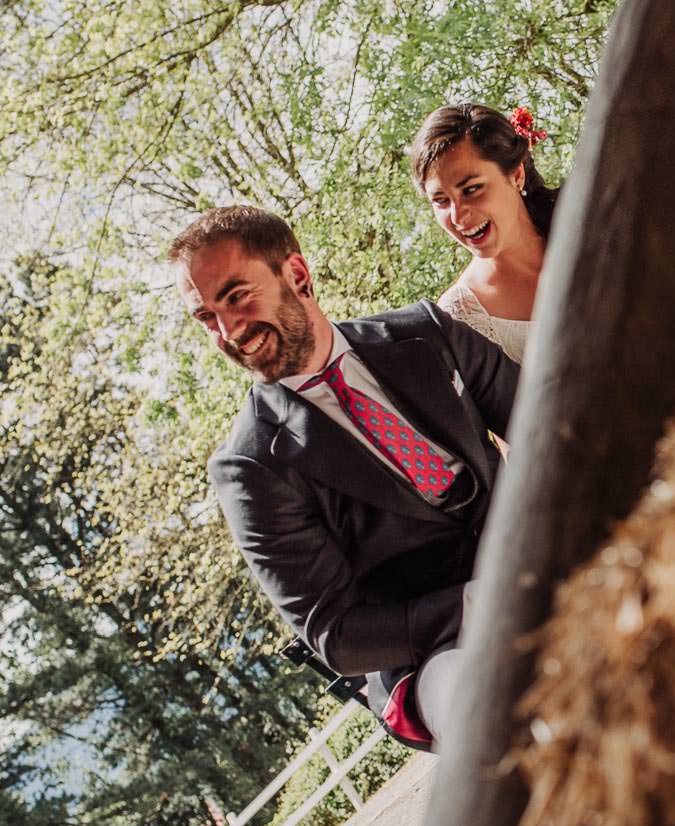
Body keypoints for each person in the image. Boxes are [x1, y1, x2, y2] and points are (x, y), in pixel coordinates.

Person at [168, 205, 521, 753]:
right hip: (440, 653)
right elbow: (337, 634)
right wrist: (482, 601)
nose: (228, 332)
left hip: (541, 558)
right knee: (494, 717)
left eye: (236, 296)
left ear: (298, 276)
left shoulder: (426, 333)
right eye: (207, 318)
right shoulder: (251, 468)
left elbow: (551, 425)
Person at [410, 103, 557, 362]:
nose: (458, 216)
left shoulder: (590, 231)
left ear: (516, 175)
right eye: (441, 201)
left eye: (471, 189)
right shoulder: (461, 319)